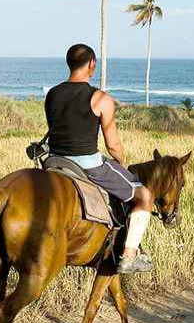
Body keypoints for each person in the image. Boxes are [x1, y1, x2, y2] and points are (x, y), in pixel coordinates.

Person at [44, 44, 153, 274]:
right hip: (87, 164)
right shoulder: (100, 98)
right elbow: (113, 145)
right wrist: (121, 163)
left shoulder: (52, 94)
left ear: (69, 64)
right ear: (92, 64)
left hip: (54, 162)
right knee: (144, 195)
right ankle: (129, 255)